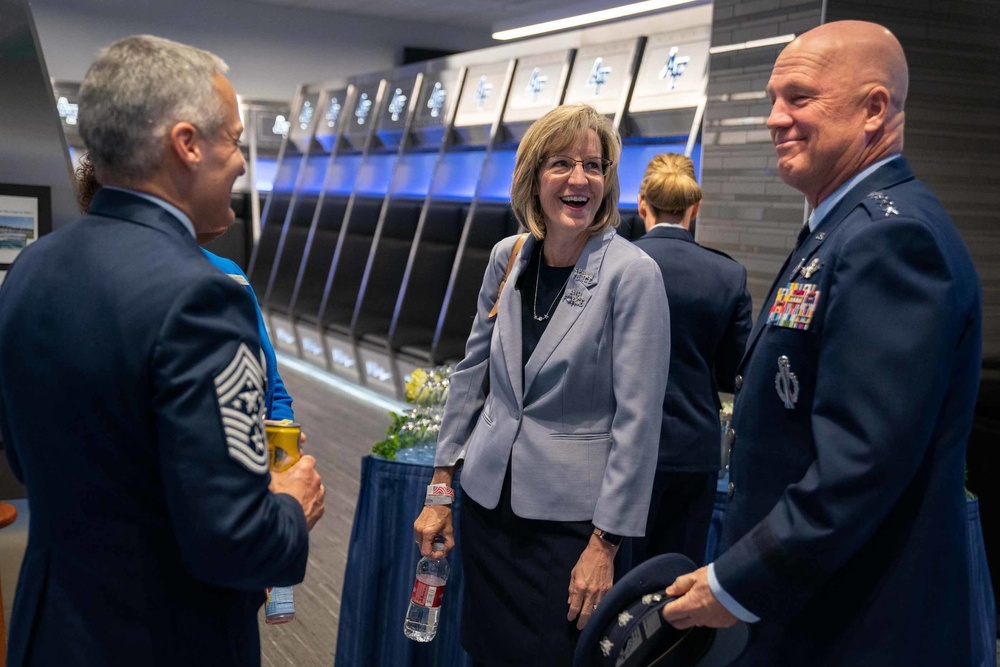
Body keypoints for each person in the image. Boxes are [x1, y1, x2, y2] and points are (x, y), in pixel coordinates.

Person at [661, 21, 982, 667]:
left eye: (800, 98)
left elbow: (861, 461)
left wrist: (736, 580)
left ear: (873, 109)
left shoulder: (891, 239)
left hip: (859, 622)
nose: (776, 119)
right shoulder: (839, 229)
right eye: (773, 99)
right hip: (812, 605)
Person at [0, 35, 325, 667]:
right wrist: (291, 503)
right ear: (187, 144)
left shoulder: (34, 266)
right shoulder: (201, 295)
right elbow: (235, 541)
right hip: (162, 638)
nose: (239, 162)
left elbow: (20, 449)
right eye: (232, 140)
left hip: (52, 629)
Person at [413, 104, 670, 667]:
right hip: (488, 506)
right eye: (561, 164)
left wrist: (605, 544)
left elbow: (638, 419)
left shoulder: (633, 274)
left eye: (593, 165)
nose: (580, 179)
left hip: (570, 528)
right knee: (485, 651)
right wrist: (440, 492)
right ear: (533, 177)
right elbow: (470, 373)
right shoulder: (508, 257)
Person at [74, 155, 295, 422]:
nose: (239, 164)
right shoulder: (111, 280)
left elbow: (270, 379)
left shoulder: (230, 273)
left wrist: (280, 435)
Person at [631, 154, 752, 566]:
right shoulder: (727, 274)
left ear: (641, 202)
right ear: (694, 207)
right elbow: (733, 370)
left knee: (610, 584)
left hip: (620, 449)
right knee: (675, 582)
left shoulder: (613, 265)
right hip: (693, 451)